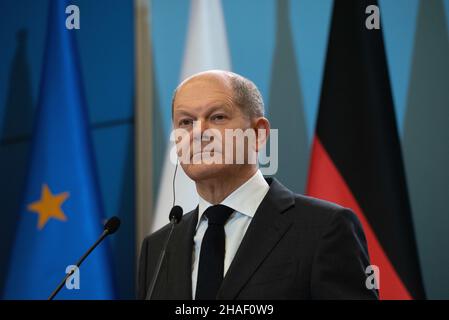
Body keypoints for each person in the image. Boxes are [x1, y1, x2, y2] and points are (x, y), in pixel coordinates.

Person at [137, 70, 378, 300]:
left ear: (258, 133)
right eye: (186, 122)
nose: (198, 132)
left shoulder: (324, 228)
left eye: (217, 117)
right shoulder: (157, 248)